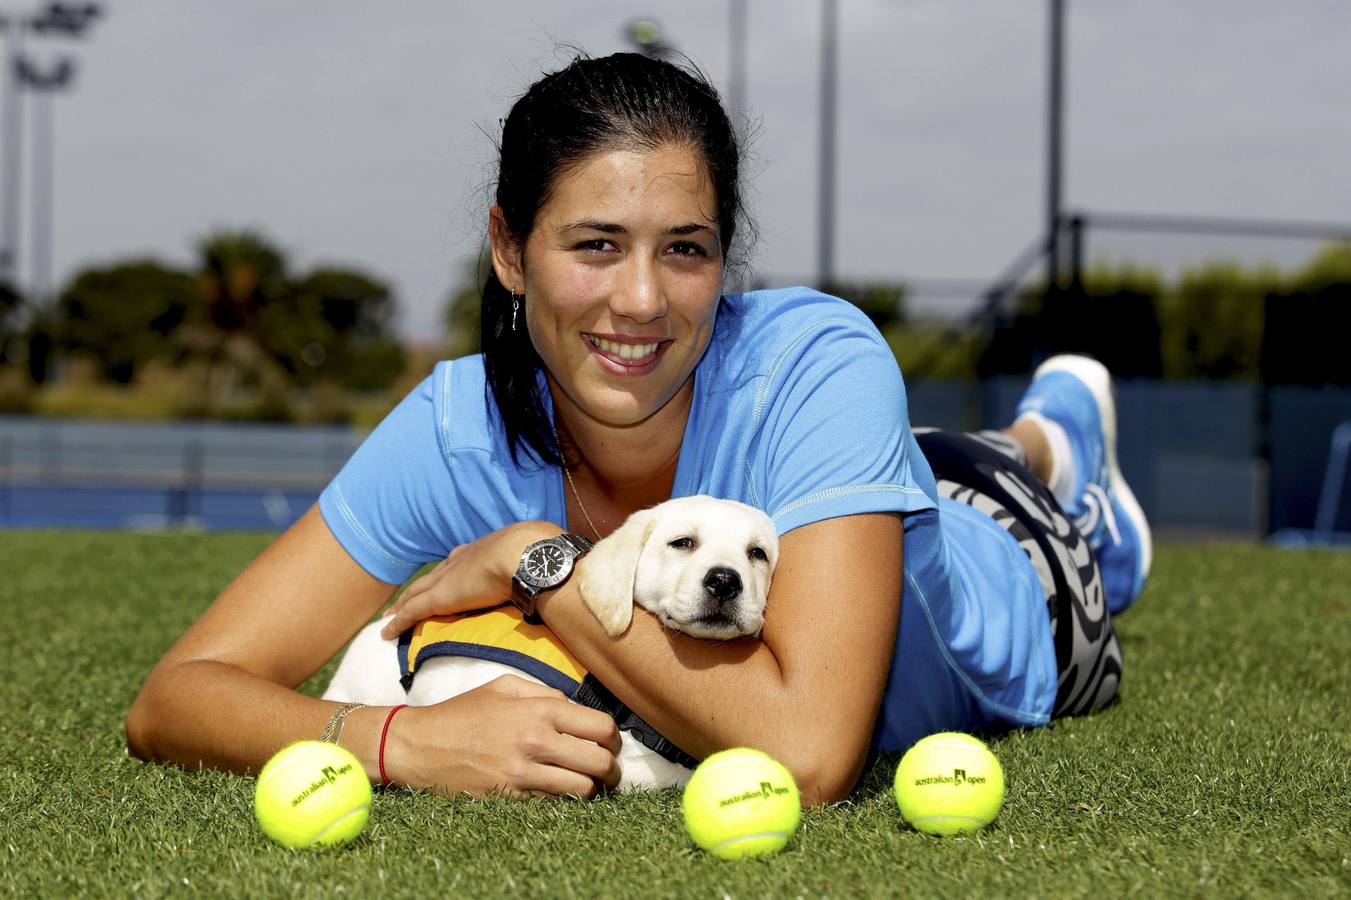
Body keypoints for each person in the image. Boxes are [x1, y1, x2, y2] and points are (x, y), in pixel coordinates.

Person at [125, 52, 1150, 805]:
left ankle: (1061, 457)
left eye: (685, 250)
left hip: (1019, 569)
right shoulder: (455, 427)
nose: (643, 300)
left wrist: (538, 560)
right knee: (913, 456)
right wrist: (400, 742)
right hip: (867, 477)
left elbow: (807, 759)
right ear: (509, 251)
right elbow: (175, 699)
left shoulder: (818, 361)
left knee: (992, 487)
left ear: (725, 256)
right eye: (595, 245)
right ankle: (1027, 440)